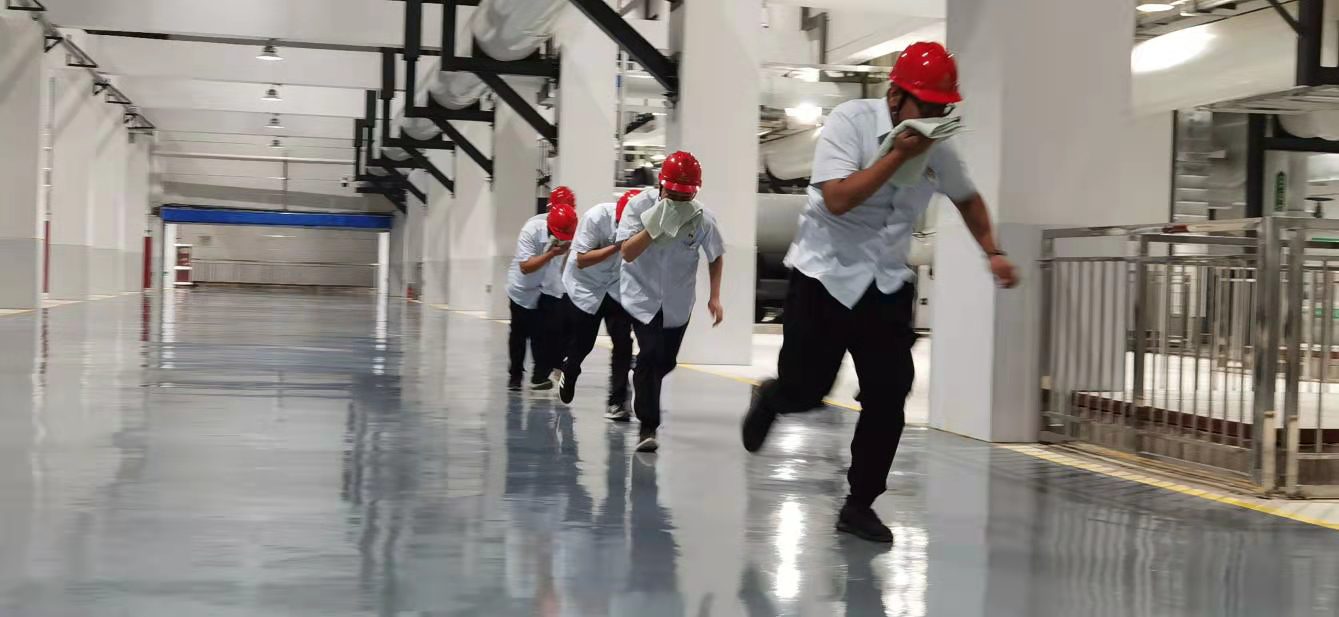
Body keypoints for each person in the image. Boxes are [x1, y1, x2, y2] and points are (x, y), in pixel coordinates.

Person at [740, 42, 1018, 542]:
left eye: (941, 108)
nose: (933, 117)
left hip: (885, 283)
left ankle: (860, 503)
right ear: (895, 97)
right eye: (925, 106)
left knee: (889, 395)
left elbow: (968, 198)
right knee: (807, 390)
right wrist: (897, 156)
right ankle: (773, 398)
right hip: (824, 277)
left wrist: (992, 251)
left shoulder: (939, 148)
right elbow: (838, 199)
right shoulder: (849, 123)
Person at [617, 151, 725, 453]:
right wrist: (654, 227)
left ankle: (642, 375)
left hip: (678, 301)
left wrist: (715, 296)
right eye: (673, 194)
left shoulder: (702, 217)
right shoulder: (638, 206)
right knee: (651, 354)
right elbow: (627, 252)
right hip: (642, 297)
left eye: (684, 196)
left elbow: (716, 255)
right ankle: (648, 426)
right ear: (661, 185)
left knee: (665, 362)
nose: (678, 200)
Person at [555, 190, 640, 418]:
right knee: (584, 343)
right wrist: (618, 246)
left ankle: (617, 402)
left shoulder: (644, 226)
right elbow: (581, 260)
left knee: (623, 343)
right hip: (586, 285)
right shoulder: (596, 217)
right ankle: (570, 370)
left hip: (616, 287)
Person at [506, 187, 579, 392]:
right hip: (523, 287)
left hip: (549, 287)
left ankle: (540, 376)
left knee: (549, 332)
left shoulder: (572, 226)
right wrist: (552, 254)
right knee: (520, 333)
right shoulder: (532, 229)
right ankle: (515, 376)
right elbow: (525, 266)